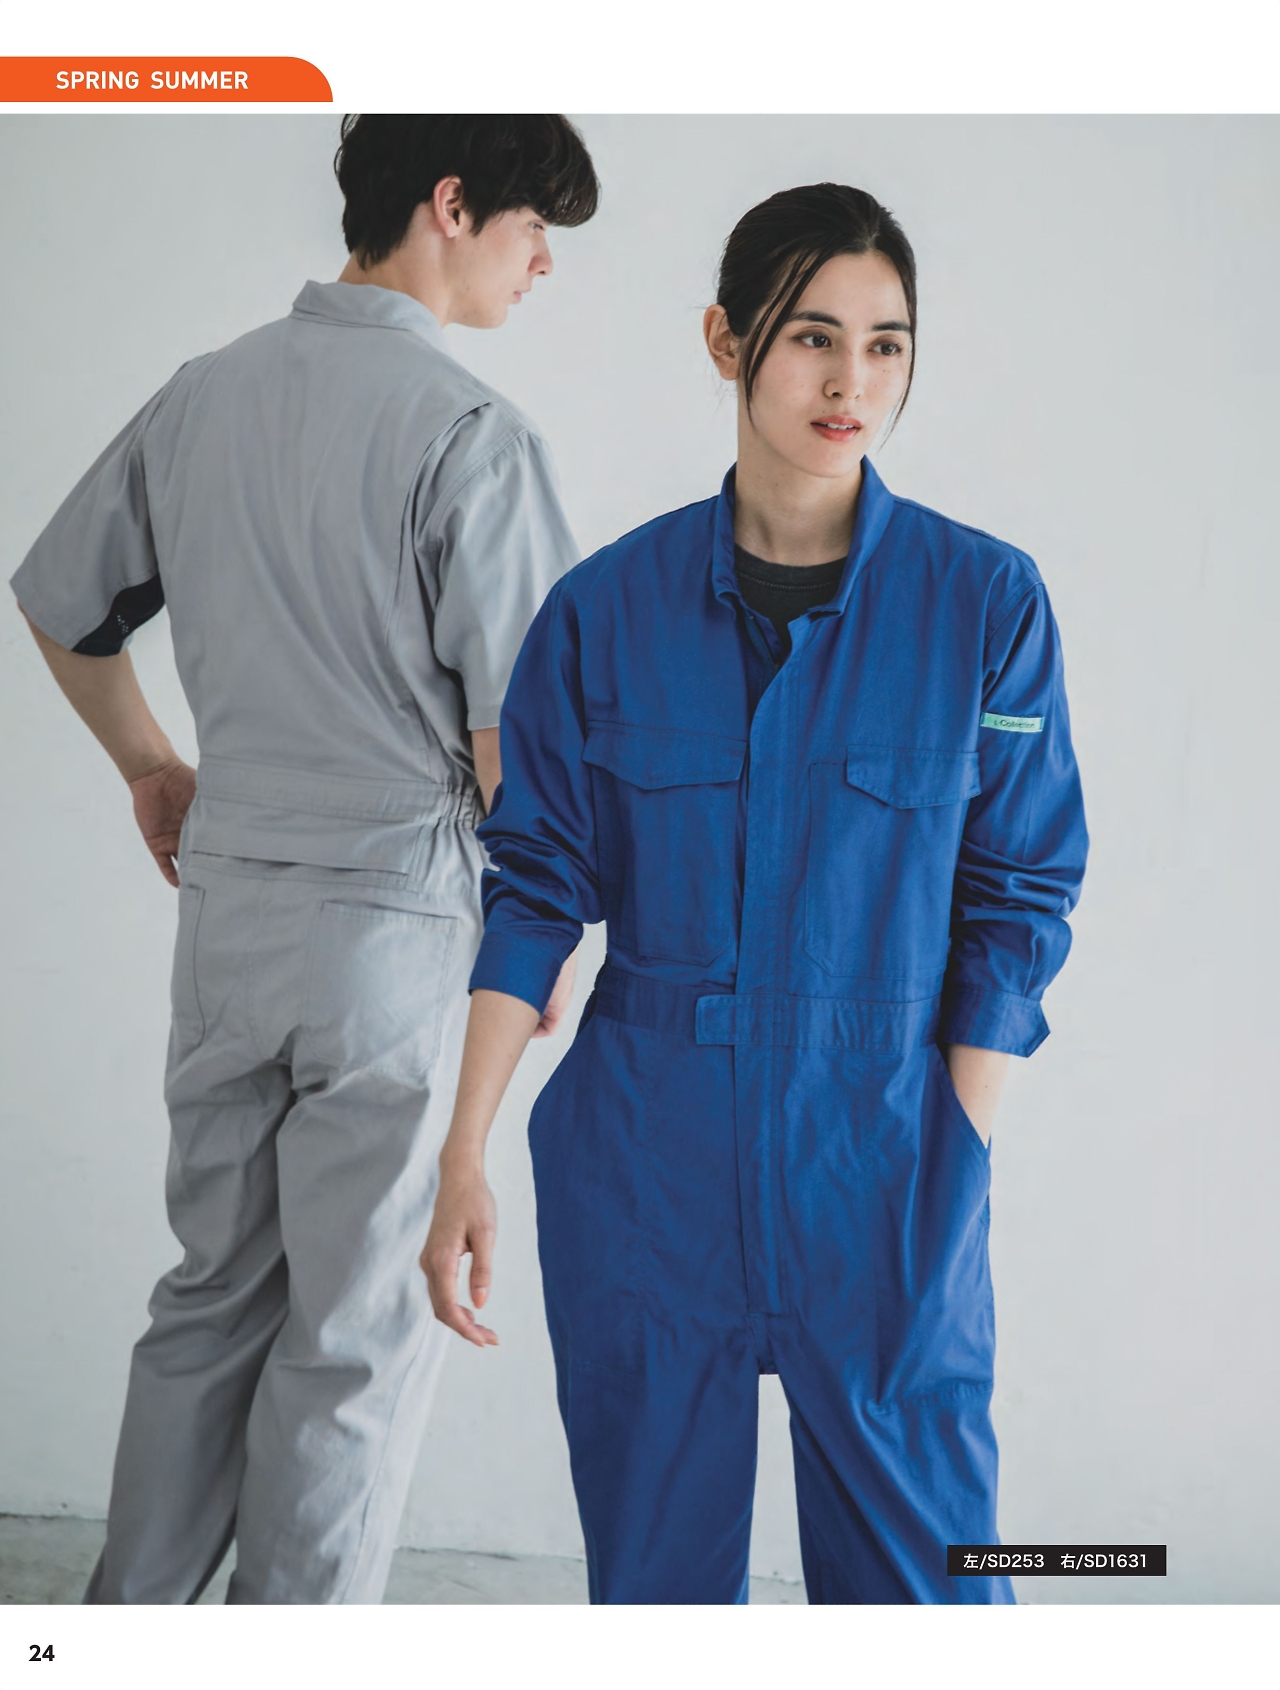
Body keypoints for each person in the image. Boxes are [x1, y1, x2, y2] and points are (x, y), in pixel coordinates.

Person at [421, 183, 1088, 1604]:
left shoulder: (985, 604)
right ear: (728, 341)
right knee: (658, 1593)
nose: (854, 383)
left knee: (933, 1594)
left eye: (888, 345)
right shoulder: (604, 612)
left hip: (886, 1164)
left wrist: (953, 1156)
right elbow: (534, 890)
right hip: (649, 1170)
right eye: (812, 338)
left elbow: (1020, 896)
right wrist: (464, 1149)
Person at [9, 114, 598, 1604]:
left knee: (206, 1303)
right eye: (535, 229)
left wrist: (154, 767)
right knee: (352, 1340)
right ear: (452, 206)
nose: (542, 266)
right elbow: (517, 754)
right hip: (395, 938)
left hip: (226, 921)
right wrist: (546, 947)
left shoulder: (202, 396)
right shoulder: (475, 438)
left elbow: (62, 602)